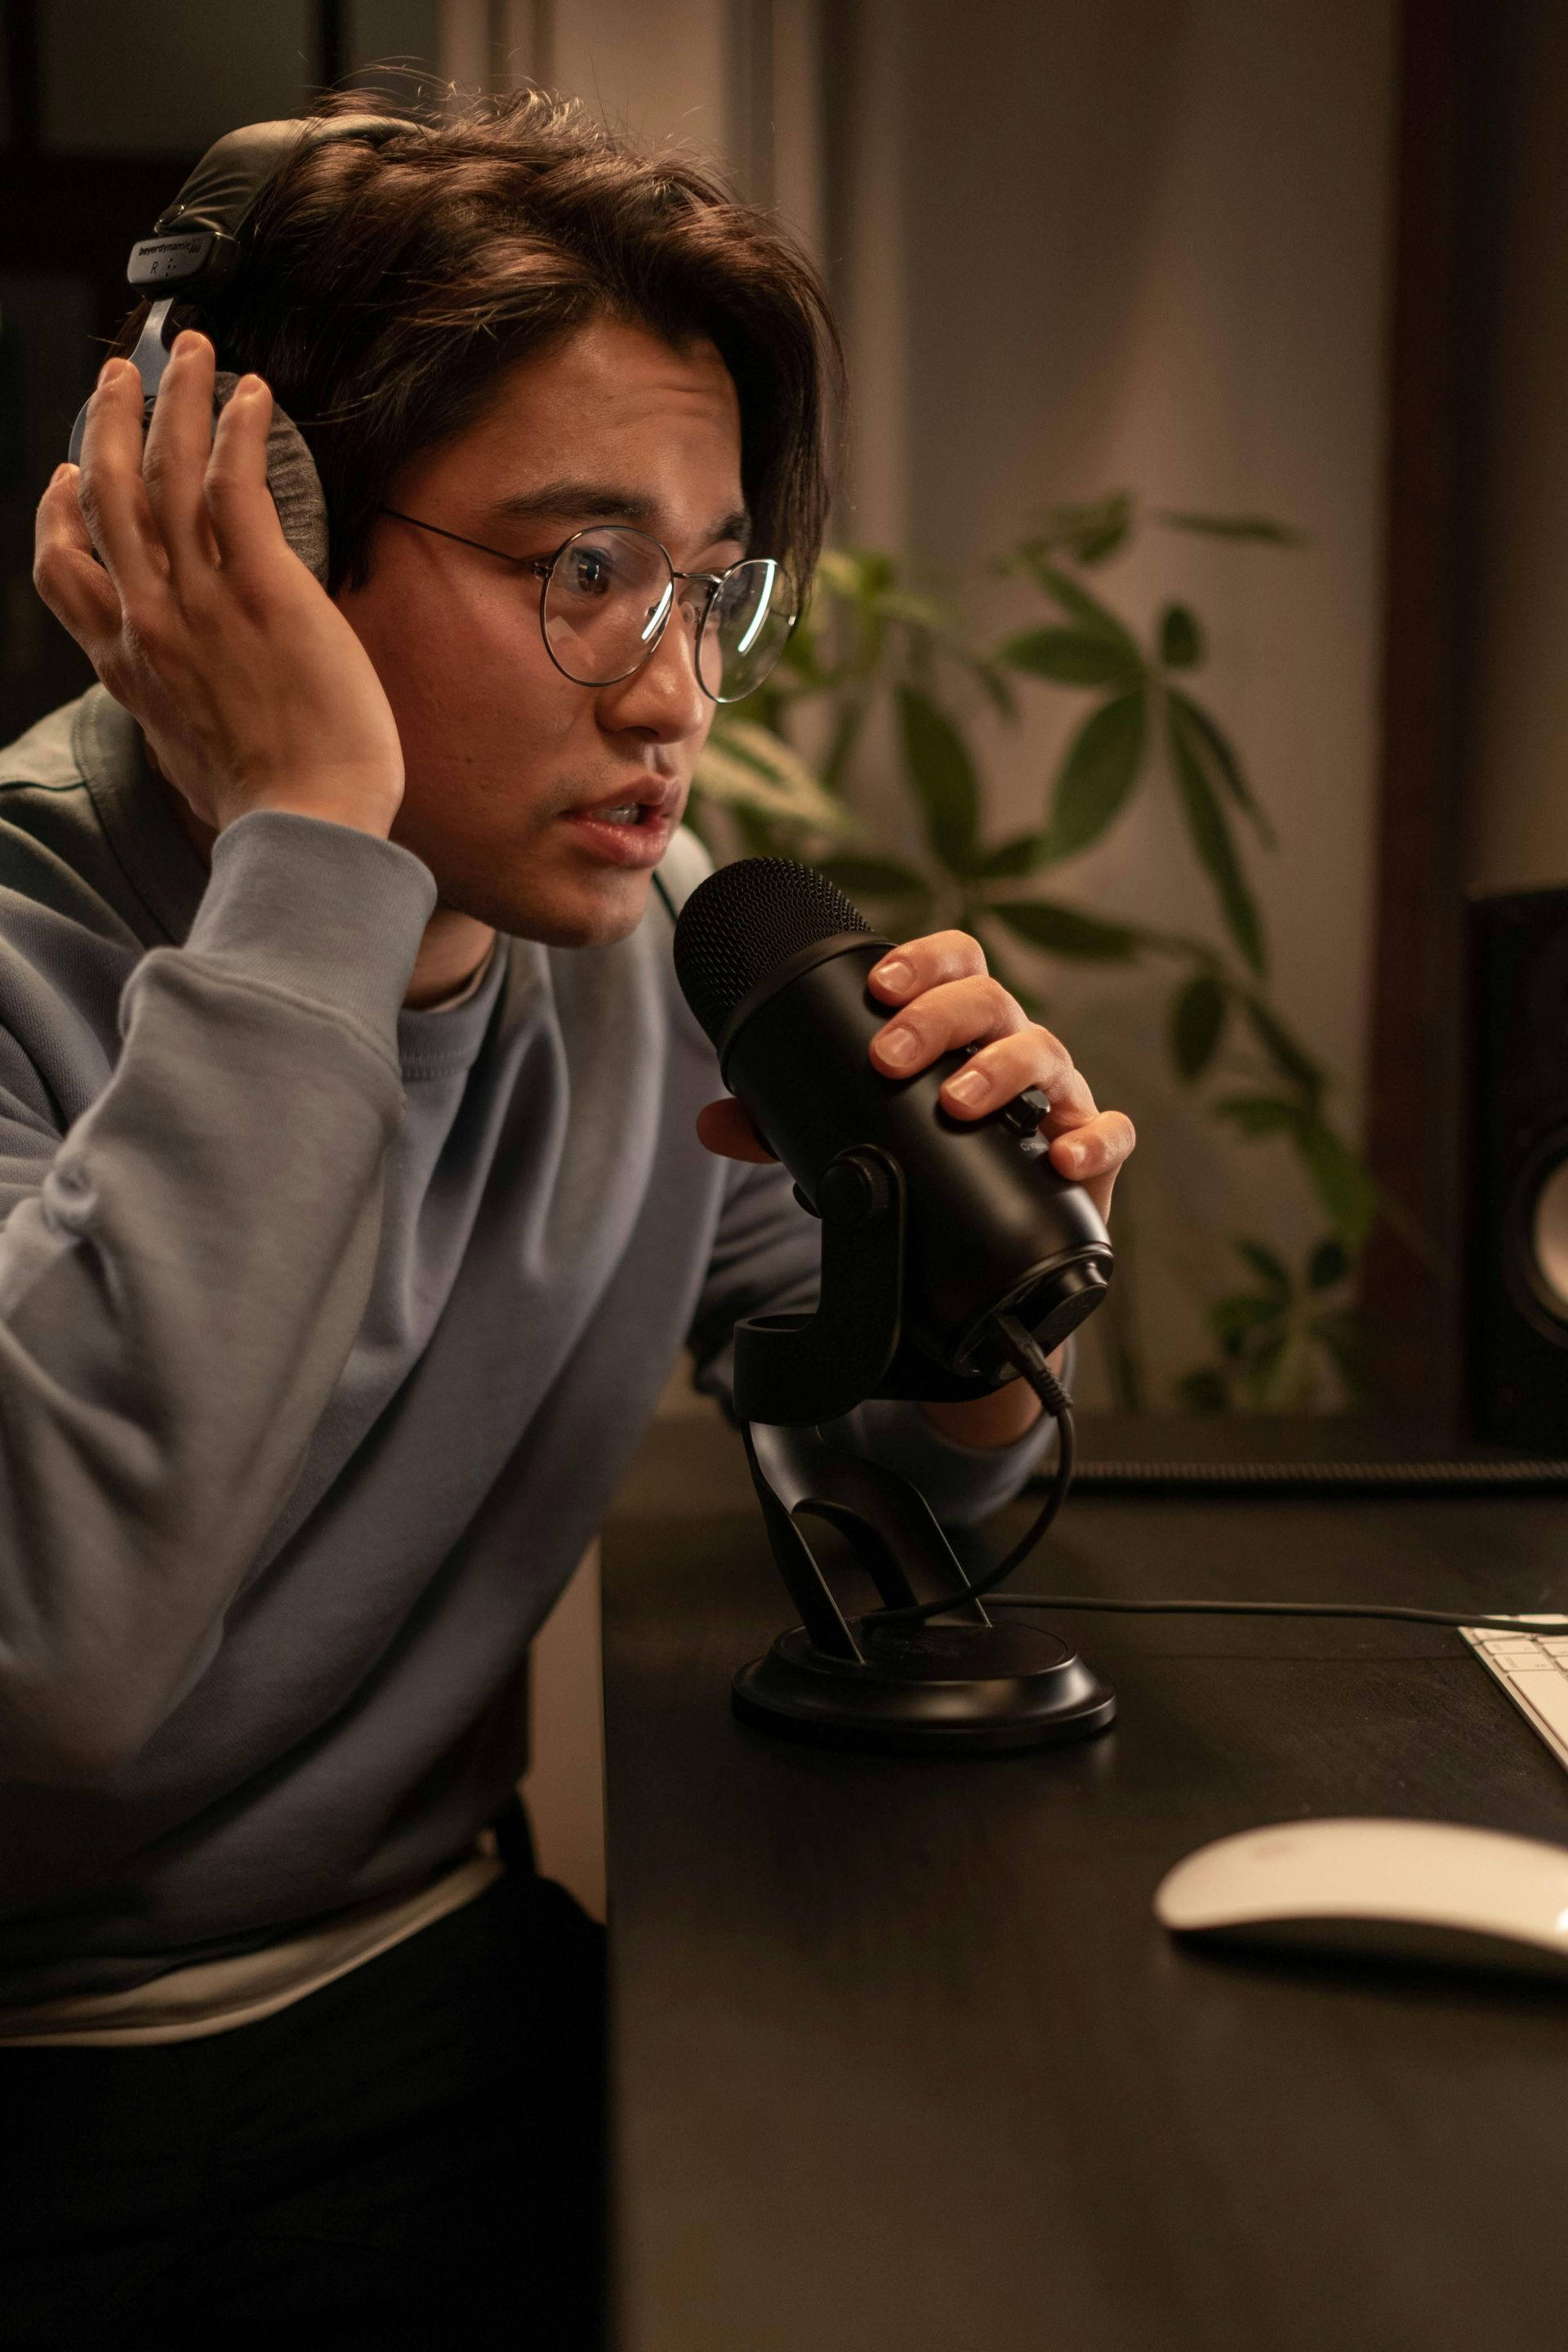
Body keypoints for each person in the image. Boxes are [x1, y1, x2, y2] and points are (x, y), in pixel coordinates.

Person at [3, 90, 1135, 2345]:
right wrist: (308, 850)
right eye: (580, 572)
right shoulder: (24, 946)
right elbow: (63, 1651)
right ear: (267, 534)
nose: (676, 695)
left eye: (711, 583)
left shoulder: (644, 958)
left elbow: (899, 1478)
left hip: (434, 1996)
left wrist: (966, 1300)